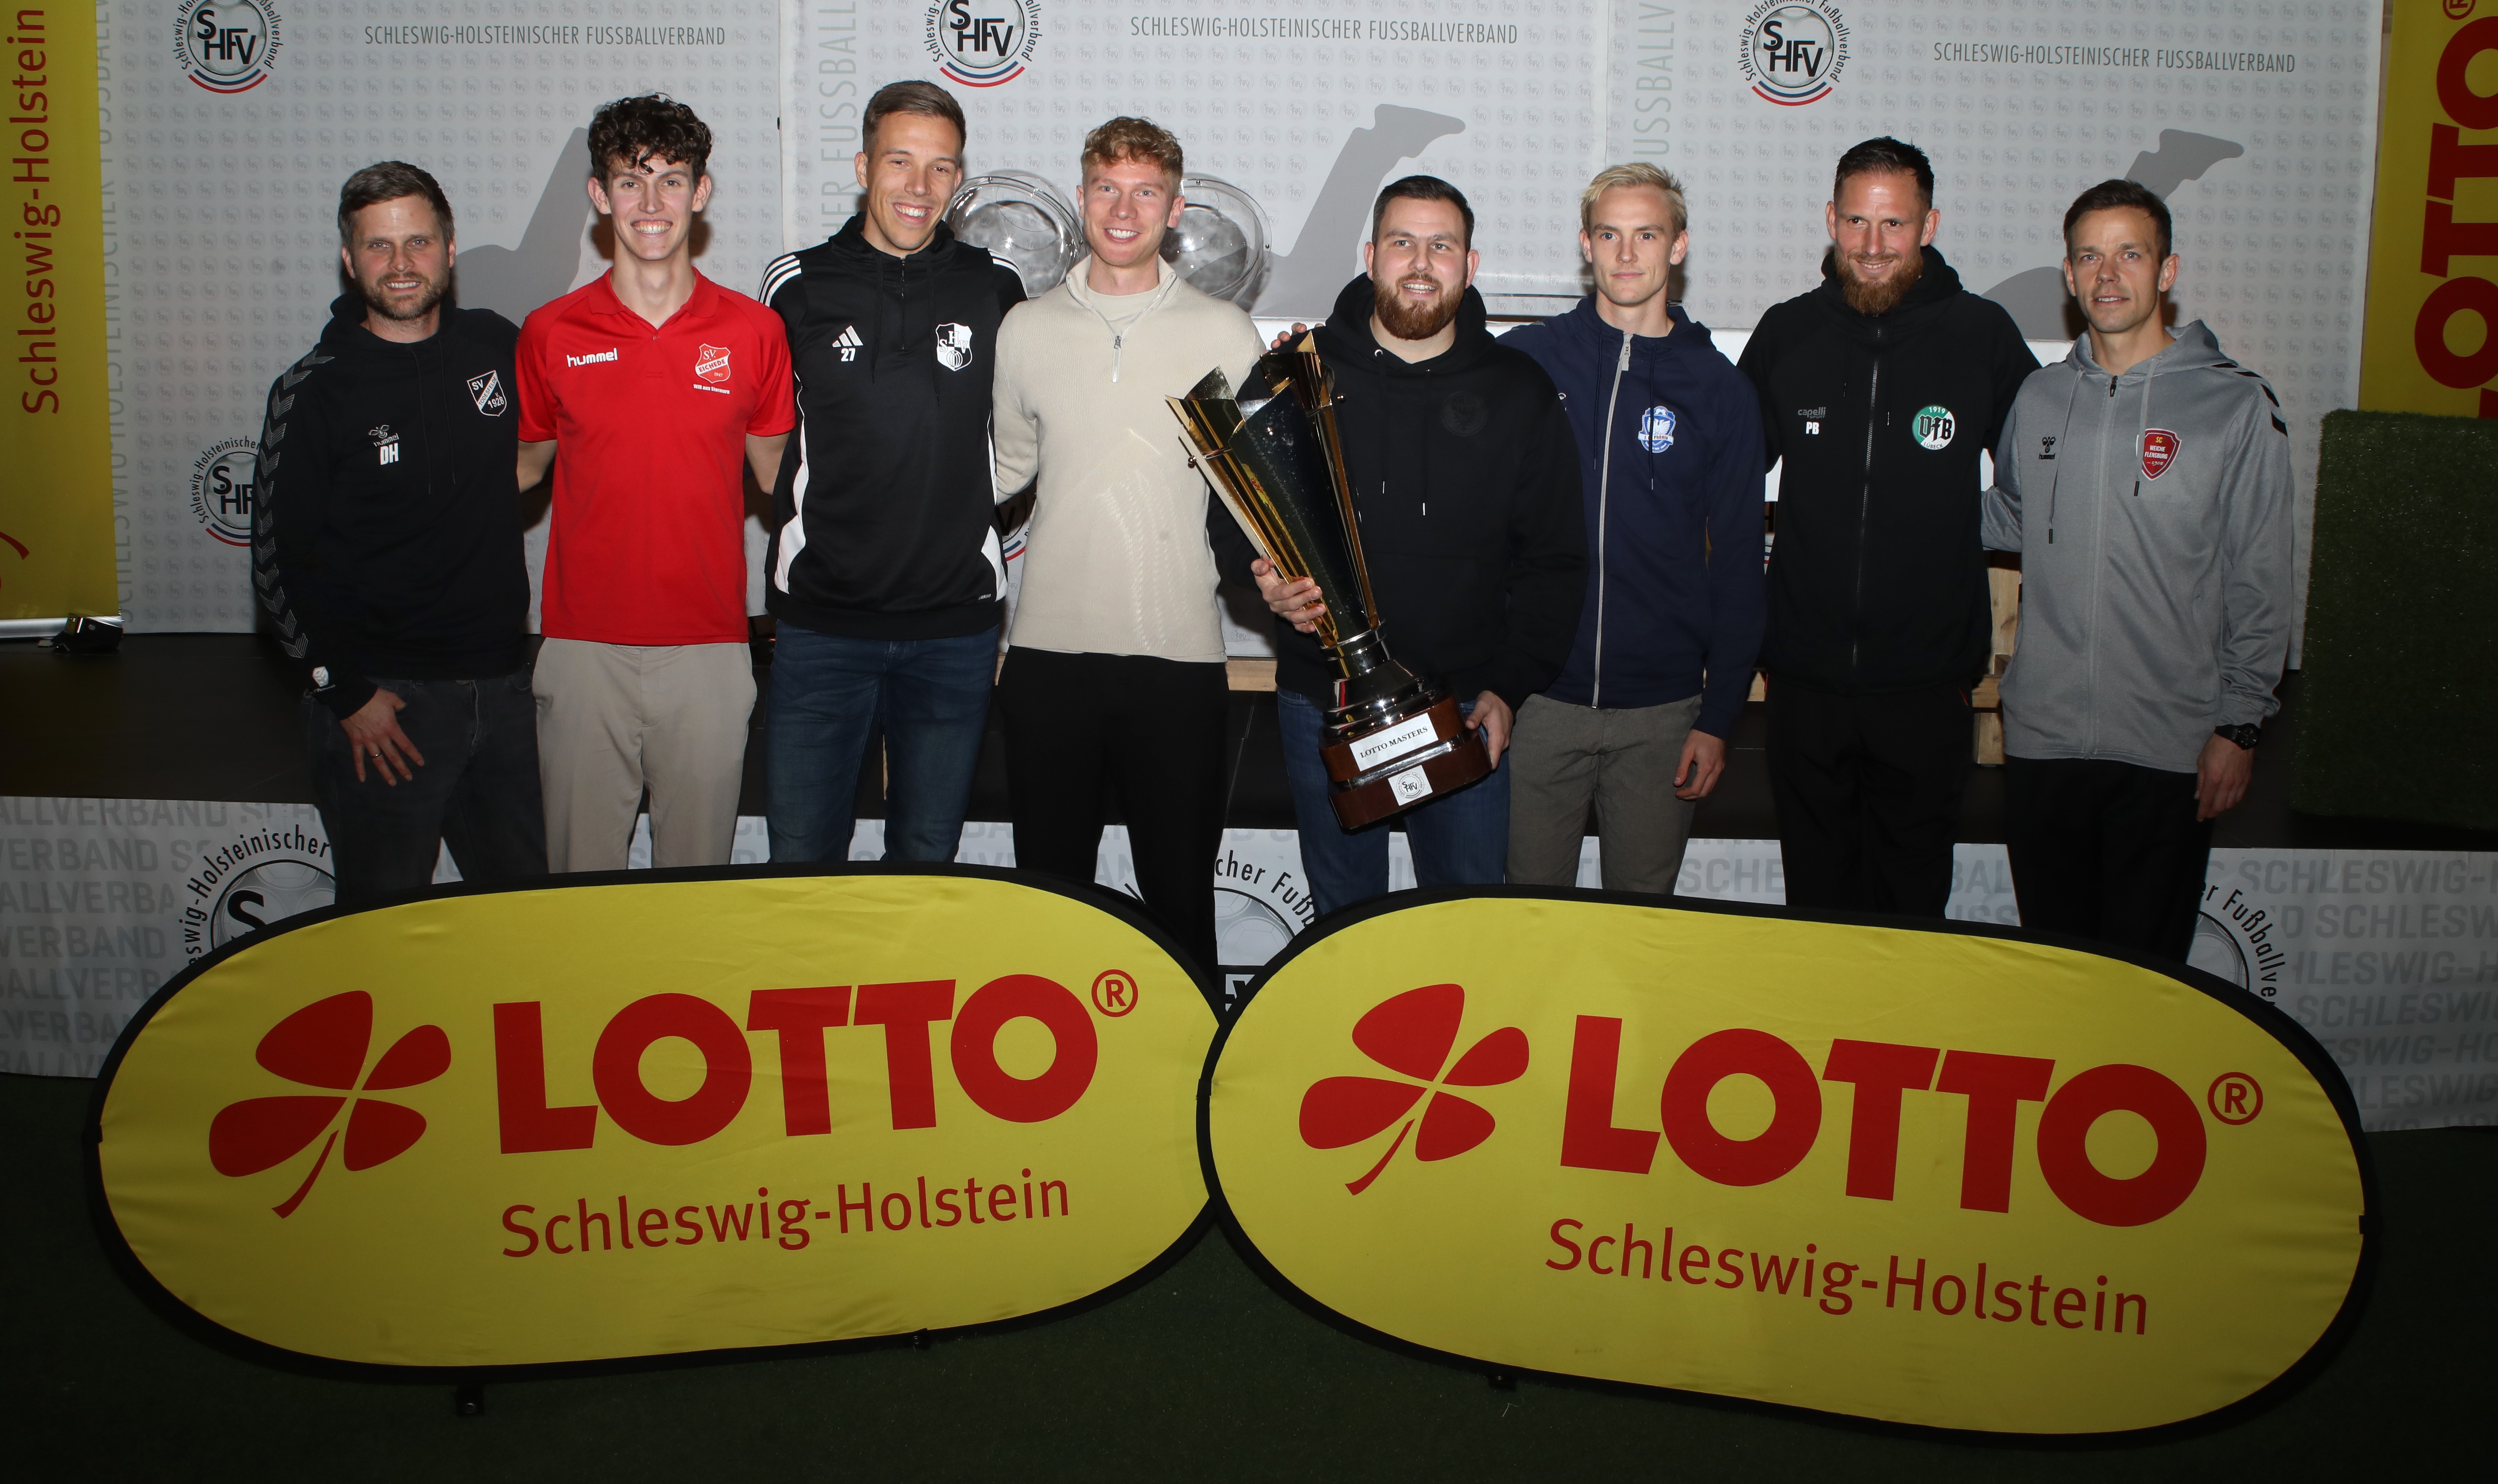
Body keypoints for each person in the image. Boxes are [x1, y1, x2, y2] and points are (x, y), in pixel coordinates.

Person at [1237, 176, 1586, 917]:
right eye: (1402, 242)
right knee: (1340, 922)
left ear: (1471, 262)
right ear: (1370, 256)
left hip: (1465, 705)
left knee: (1461, 926)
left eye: (1441, 245)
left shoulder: (1519, 389)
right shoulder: (1293, 372)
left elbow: (1556, 560)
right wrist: (1262, 578)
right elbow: (1228, 515)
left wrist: (1508, 689)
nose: (1420, 262)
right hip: (1325, 701)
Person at [1983, 180, 2293, 959]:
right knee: (2057, 978)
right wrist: (1885, 506)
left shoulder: (2236, 406)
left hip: (2170, 749)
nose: (2108, 273)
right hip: (2045, 744)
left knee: (2147, 993)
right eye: (2090, 255)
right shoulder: (2042, 396)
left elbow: (2262, 578)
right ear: (2068, 274)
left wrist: (2240, 725)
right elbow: (2010, 516)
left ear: (2167, 270)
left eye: (2130, 253)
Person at [1735, 137, 2038, 917]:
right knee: (1817, 903)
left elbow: (2044, 487)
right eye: (1858, 224)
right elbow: (1723, 482)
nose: (1874, 247)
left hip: (1927, 683)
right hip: (1804, 680)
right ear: (1831, 221)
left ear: (1929, 225)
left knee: (1911, 906)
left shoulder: (1983, 336)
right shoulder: (1786, 334)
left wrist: (1945, 540)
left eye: (1894, 225)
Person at [989, 118, 1266, 967]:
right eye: (1107, 187)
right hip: (1045, 662)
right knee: (1051, 905)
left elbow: (1258, 505)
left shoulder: (1226, 333)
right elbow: (1001, 473)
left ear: (1173, 209)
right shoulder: (1024, 330)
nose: (1124, 207)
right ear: (1080, 200)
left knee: (1182, 901)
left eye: (1145, 191)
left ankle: (1188, 1082)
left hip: (1177, 661)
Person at [252, 161, 543, 905]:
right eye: (380, 247)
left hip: (504, 691)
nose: (402, 265)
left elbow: (557, 447)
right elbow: (277, 565)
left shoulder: (498, 347)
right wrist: (345, 693)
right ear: (350, 262)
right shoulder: (316, 387)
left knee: (528, 924)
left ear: (449, 248)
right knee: (380, 933)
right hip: (384, 709)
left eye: (418, 242)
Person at [515, 96, 794, 871]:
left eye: (671, 181)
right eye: (630, 182)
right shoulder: (550, 332)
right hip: (582, 651)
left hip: (708, 650)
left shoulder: (753, 332)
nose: (651, 204)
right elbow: (521, 469)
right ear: (600, 195)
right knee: (578, 895)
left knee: (694, 898)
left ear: (700, 195)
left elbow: (784, 482)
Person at [756, 81, 1026, 867]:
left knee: (926, 859)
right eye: (900, 162)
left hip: (955, 629)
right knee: (801, 860)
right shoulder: (794, 286)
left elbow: (1020, 441)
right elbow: (772, 450)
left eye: (941, 169)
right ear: (863, 166)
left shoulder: (995, 289)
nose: (919, 187)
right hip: (820, 626)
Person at [1501, 164, 1765, 896]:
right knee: (1524, 918)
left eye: (1645, 234)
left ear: (1677, 247)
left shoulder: (1720, 390)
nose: (1626, 254)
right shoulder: (1528, 360)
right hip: (1537, 704)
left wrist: (1718, 718)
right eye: (1609, 235)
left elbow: (1740, 565)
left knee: (1640, 926)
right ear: (1585, 246)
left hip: (1663, 714)